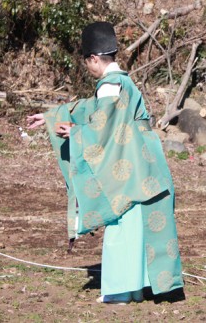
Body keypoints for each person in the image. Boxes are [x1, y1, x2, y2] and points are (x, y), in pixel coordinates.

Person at [27, 22, 183, 304]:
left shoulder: (110, 85)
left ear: (94, 59)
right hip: (145, 163)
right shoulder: (123, 80)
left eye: (88, 63)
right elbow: (91, 108)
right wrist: (52, 116)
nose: (88, 69)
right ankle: (139, 288)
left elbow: (104, 124)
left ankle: (121, 292)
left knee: (121, 224)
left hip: (131, 166)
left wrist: (76, 132)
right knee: (138, 225)